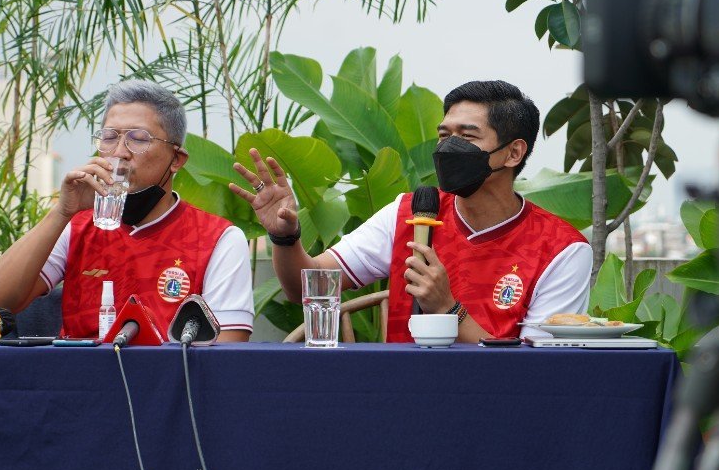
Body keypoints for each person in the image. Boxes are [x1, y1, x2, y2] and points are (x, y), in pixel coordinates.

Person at [229, 80, 591, 343]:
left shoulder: (561, 250)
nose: (448, 147)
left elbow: (539, 375)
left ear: (513, 153)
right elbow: (306, 287)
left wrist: (448, 309)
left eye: (467, 137)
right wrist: (285, 236)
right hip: (401, 399)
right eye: (443, 134)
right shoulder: (409, 212)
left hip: (494, 414)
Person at [0, 81, 254, 341]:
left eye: (138, 139)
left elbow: (226, 353)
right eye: (109, 137)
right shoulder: (77, 225)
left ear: (176, 159)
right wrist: (62, 212)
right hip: (75, 385)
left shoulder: (219, 239)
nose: (120, 152)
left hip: (171, 386)